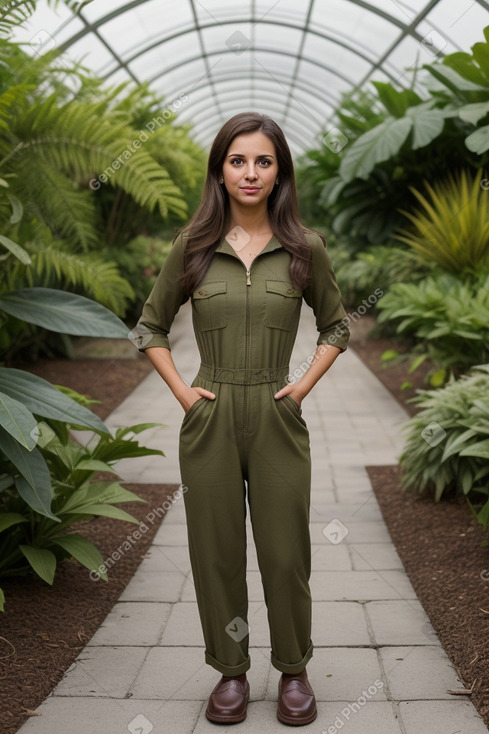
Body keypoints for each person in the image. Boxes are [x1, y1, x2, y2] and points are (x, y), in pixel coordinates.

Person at [135, 111, 350, 726]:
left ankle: (293, 670)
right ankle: (230, 672)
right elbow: (150, 326)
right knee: (217, 551)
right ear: (220, 171)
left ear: (279, 170)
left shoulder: (305, 247)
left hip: (278, 414)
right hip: (211, 412)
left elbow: (336, 323)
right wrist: (182, 392)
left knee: (285, 553)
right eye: (237, 160)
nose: (250, 172)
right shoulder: (193, 247)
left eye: (263, 161)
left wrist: (302, 385)